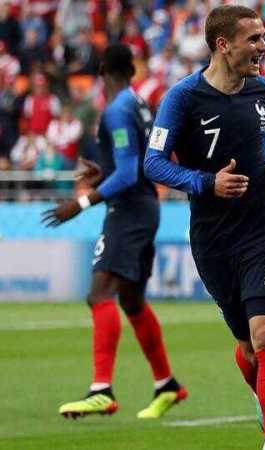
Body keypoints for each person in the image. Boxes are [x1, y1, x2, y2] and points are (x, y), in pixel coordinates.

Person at [142, 6, 265, 450]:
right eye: (254, 39)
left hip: (264, 227)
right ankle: (264, 397)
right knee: (248, 346)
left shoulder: (263, 89)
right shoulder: (182, 97)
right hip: (213, 238)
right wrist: (207, 183)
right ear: (223, 45)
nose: (264, 47)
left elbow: (260, 140)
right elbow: (153, 162)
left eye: (263, 37)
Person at [42, 43, 187, 419]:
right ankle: (167, 385)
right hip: (144, 207)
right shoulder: (137, 104)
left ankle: (101, 389)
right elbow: (135, 163)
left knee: (99, 293)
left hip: (128, 212)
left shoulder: (117, 110)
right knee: (132, 302)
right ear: (132, 71)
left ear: (102, 70)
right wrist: (103, 173)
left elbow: (127, 173)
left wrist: (80, 203)